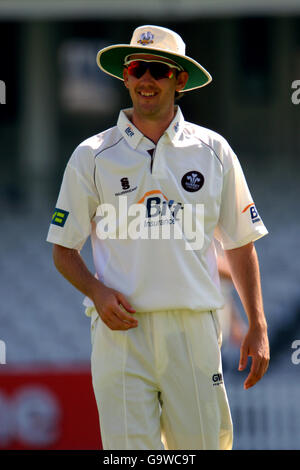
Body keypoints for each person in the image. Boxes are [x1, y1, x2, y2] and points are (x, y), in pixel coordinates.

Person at [46, 25, 270, 450]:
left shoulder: (213, 150)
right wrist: (96, 291)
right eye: (137, 68)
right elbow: (63, 249)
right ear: (125, 77)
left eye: (158, 70)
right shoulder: (90, 155)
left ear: (179, 79)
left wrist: (257, 324)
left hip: (193, 330)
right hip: (120, 332)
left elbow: (241, 243)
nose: (146, 79)